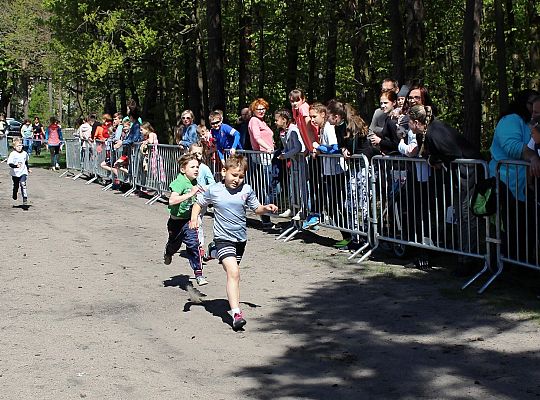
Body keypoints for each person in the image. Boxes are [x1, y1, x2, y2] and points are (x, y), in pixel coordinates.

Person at [190, 155, 278, 330]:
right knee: (234, 273)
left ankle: (212, 253)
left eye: (241, 176)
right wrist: (194, 219)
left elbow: (257, 208)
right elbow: (198, 203)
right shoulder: (214, 190)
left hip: (240, 240)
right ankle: (236, 314)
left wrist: (266, 208)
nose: (237, 180)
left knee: (232, 274)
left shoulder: (246, 190)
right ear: (224, 172)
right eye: (234, 175)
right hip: (223, 238)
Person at [409, 104, 483, 271]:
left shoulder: (435, 132)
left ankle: (470, 259)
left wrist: (435, 159)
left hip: (467, 174)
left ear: (415, 122)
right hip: (461, 176)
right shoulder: (432, 131)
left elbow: (452, 152)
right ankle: (465, 256)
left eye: (409, 123)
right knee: (462, 215)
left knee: (466, 215)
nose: (409, 126)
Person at [489, 89, 540, 263]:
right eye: (530, 103)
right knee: (510, 226)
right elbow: (512, 146)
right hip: (506, 183)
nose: (533, 107)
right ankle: (507, 262)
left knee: (525, 226)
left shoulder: (530, 123)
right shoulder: (511, 120)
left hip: (524, 185)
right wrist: (532, 156)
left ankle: (523, 261)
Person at [163, 153, 208, 286]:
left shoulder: (194, 182)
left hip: (189, 221)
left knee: (194, 245)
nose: (196, 169)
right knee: (174, 245)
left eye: (197, 167)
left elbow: (196, 201)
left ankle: (199, 274)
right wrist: (190, 193)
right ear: (183, 169)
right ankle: (168, 252)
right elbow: (172, 201)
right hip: (175, 222)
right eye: (192, 167)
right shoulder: (179, 182)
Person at [248, 98, 275, 229]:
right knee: (265, 188)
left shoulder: (262, 121)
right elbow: (257, 138)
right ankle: (266, 219)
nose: (261, 111)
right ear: (253, 110)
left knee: (270, 187)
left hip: (268, 157)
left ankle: (268, 216)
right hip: (262, 157)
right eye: (258, 108)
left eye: (263, 108)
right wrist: (268, 148)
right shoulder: (254, 121)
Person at [275, 109, 306, 220]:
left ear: (284, 120)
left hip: (300, 161)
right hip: (293, 163)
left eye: (276, 120)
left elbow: (298, 147)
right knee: (293, 186)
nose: (275, 122)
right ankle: (293, 207)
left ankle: (303, 209)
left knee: (302, 187)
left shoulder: (293, 130)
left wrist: (285, 155)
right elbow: (287, 147)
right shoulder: (284, 132)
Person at [189, 142, 216, 260]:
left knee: (198, 221)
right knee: (189, 222)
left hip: (201, 199)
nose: (196, 156)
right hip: (188, 199)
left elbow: (213, 183)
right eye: (194, 153)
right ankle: (190, 241)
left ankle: (200, 245)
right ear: (189, 153)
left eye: (199, 153)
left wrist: (204, 189)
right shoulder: (186, 168)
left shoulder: (204, 168)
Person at [7, 138, 31, 205]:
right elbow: (10, 163)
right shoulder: (13, 154)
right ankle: (14, 193)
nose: (19, 147)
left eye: (20, 145)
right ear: (14, 147)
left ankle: (25, 198)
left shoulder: (24, 153)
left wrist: (28, 169)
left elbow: (26, 162)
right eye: (18, 146)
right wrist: (15, 166)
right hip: (15, 173)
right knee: (16, 186)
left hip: (23, 172)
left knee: (23, 184)